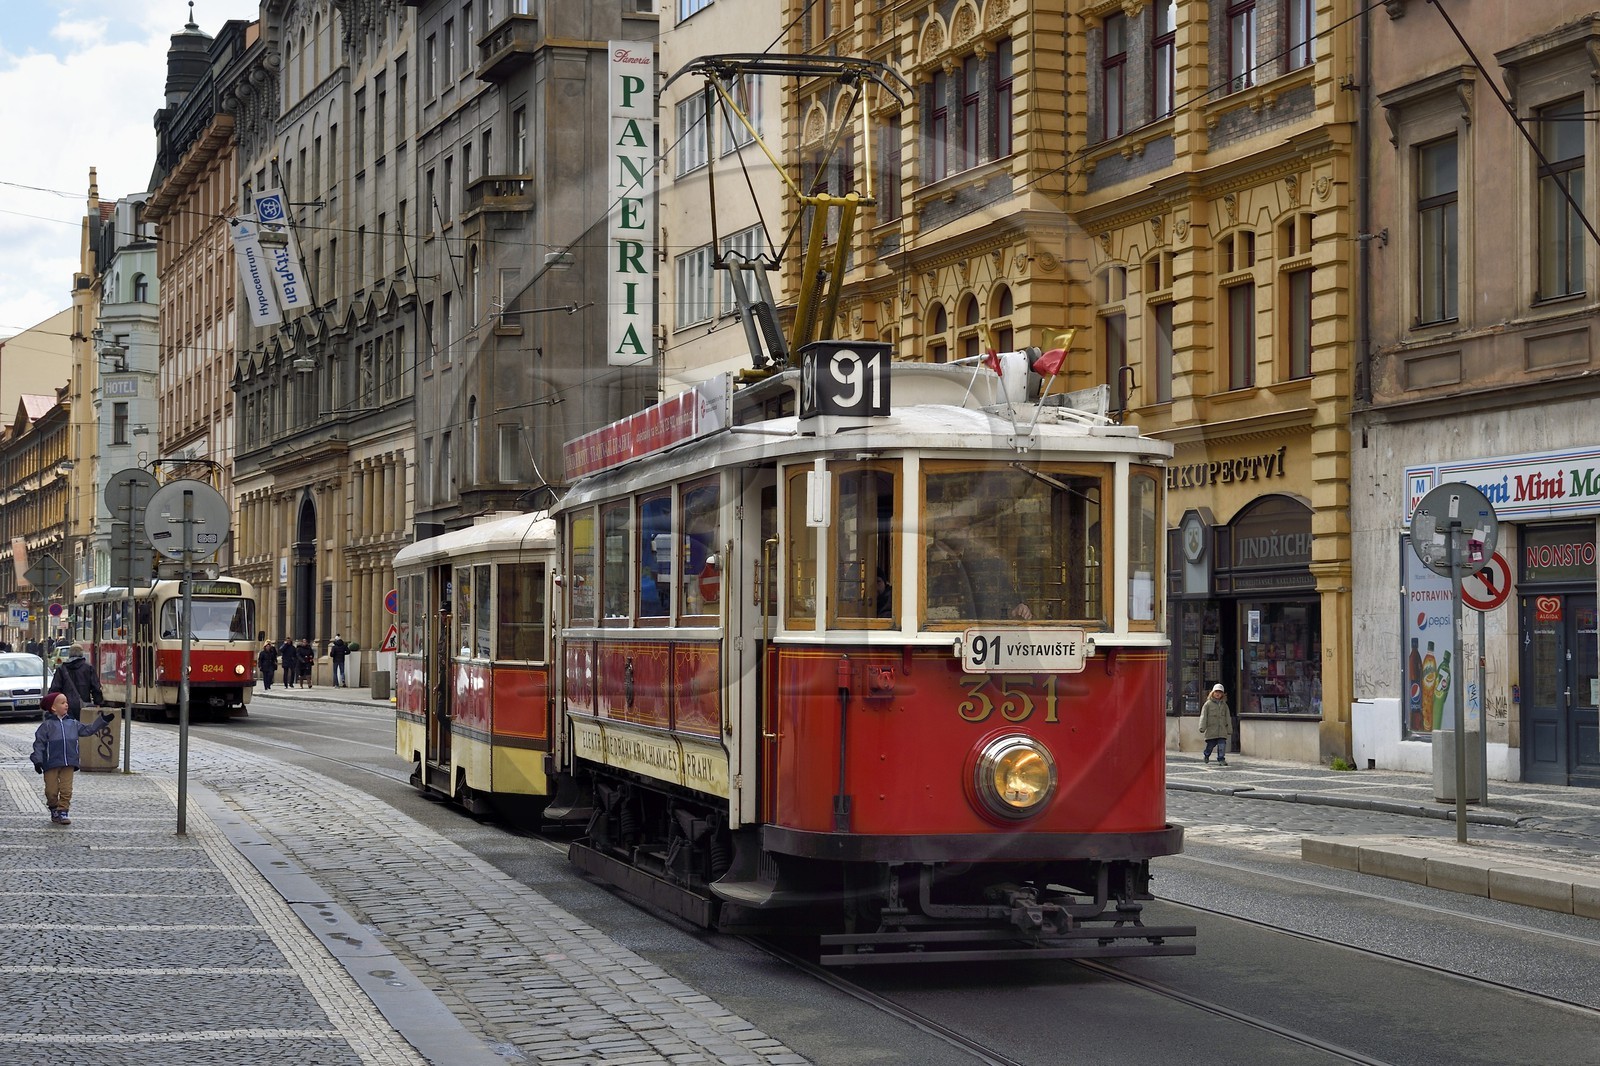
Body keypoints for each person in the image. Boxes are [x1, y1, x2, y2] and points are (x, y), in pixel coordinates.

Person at [31, 693, 114, 825]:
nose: (66, 704)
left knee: (66, 790)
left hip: (69, 762)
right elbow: (39, 744)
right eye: (62, 702)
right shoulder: (46, 726)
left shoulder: (73, 723)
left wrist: (102, 720)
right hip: (51, 763)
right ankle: (53, 808)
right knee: (51, 791)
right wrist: (37, 761)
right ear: (53, 708)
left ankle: (63, 811)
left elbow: (88, 730)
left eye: (66, 702)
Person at [47, 644, 104, 721]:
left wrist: (53, 705)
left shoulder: (61, 669)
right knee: (83, 729)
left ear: (69, 654)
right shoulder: (88, 668)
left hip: (65, 707)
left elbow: (55, 689)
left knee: (67, 728)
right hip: (84, 706)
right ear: (81, 653)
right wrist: (99, 703)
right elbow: (96, 687)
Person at [1199, 683, 1233, 765]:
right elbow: (1203, 716)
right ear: (1212, 693)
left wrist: (1229, 729)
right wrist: (1202, 727)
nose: (1218, 694)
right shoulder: (1208, 704)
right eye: (1216, 692)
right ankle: (1206, 755)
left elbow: (1228, 717)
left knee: (1222, 745)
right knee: (1210, 746)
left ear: (1223, 694)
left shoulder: (1224, 705)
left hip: (1222, 730)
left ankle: (1221, 759)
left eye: (1220, 692)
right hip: (1212, 730)